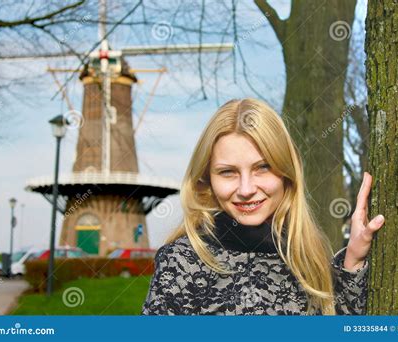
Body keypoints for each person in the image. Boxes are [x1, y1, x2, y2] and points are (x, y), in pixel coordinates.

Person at [142, 98, 385, 315]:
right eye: (228, 172)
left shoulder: (307, 255)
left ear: (286, 173)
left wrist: (352, 258)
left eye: (263, 167)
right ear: (208, 180)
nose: (246, 189)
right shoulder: (181, 262)